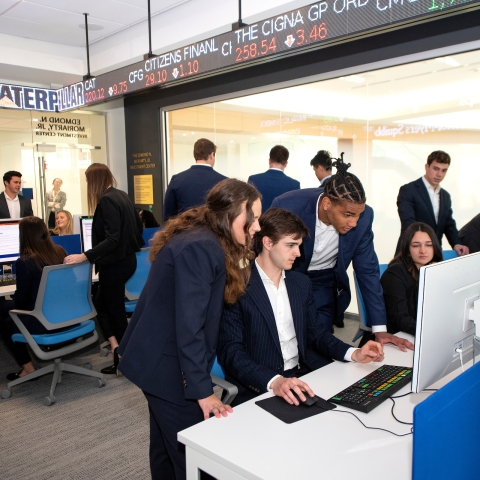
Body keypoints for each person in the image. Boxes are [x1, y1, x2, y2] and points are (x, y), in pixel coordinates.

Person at [118, 179, 262, 480]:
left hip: (155, 359)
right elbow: (189, 325)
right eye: (254, 217)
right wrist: (203, 392)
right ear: (232, 214)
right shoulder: (202, 247)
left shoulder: (202, 237)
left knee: (166, 449)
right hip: (166, 366)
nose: (257, 227)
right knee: (194, 460)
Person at [218, 208, 384, 406]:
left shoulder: (300, 283)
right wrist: (274, 381)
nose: (298, 253)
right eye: (291, 245)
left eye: (299, 245)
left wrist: (354, 353)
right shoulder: (237, 284)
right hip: (262, 384)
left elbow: (317, 334)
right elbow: (231, 352)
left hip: (304, 373)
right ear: (268, 243)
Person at [271, 154, 413, 351]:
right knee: (282, 340)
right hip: (285, 278)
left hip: (324, 281)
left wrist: (379, 329)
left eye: (358, 215)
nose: (354, 222)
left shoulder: (363, 219)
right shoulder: (288, 206)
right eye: (347, 215)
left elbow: (368, 271)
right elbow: (264, 252)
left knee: (319, 343)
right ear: (327, 204)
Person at [64, 164, 144, 375]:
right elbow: (139, 226)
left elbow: (112, 238)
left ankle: (126, 359)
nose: (88, 186)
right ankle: (117, 349)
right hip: (127, 261)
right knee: (101, 304)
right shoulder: (122, 195)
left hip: (115, 264)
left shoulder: (107, 200)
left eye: (89, 181)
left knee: (115, 312)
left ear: (95, 181)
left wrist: (84, 256)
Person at [0, 216, 66, 380]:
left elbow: (21, 302)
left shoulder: (26, 262)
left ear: (24, 237)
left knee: (4, 319)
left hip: (42, 321)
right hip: (66, 317)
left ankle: (28, 368)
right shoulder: (60, 251)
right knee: (4, 306)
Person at [396, 150, 469, 256]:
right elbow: (408, 223)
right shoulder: (408, 190)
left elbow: (449, 224)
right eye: (436, 169)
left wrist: (457, 243)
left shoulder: (445, 196)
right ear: (427, 167)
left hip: (434, 254)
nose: (439, 174)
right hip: (410, 253)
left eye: (444, 170)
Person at [382, 222, 442, 336]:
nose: (423, 251)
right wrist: (432, 333)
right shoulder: (394, 274)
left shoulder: (433, 269)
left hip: (418, 331)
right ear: (407, 248)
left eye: (428, 245)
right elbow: (401, 320)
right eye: (416, 245)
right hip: (396, 337)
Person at [163, 138, 227, 221]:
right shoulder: (224, 182)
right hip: (213, 232)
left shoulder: (176, 180)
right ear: (212, 155)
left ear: (195, 155)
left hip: (184, 232)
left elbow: (168, 217)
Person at [248, 145, 300, 213]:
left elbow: (248, 206)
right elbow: (294, 210)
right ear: (286, 163)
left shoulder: (253, 179)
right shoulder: (294, 184)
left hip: (258, 222)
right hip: (282, 223)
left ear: (269, 161)